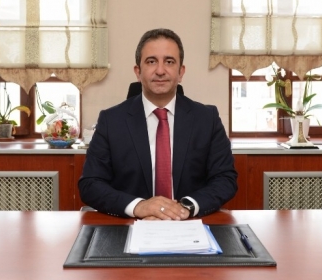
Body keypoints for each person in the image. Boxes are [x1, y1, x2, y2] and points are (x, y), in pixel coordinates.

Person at [78, 28, 238, 220]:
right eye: (151, 61)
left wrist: (185, 207)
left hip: (189, 224)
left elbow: (225, 179)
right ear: (138, 72)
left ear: (181, 72)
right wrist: (139, 207)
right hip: (131, 225)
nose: (160, 71)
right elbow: (90, 184)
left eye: (169, 62)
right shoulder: (111, 121)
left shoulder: (207, 118)